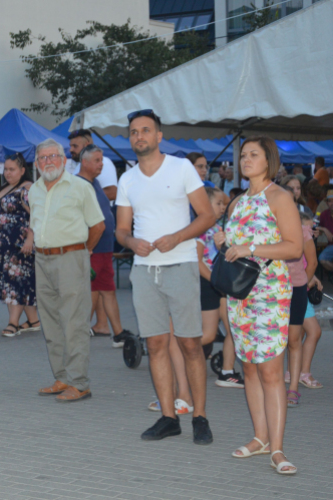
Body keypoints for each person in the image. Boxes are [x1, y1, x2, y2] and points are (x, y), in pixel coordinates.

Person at [115, 109, 216, 444]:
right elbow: (121, 230)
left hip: (181, 264)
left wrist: (178, 237)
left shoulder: (181, 167)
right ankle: (168, 417)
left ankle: (199, 416)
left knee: (190, 344)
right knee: (156, 344)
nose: (139, 136)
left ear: (159, 135)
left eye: (146, 130)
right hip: (144, 271)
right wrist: (131, 242)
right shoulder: (127, 179)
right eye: (133, 132)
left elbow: (207, 215)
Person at [214, 135, 301, 474]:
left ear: (269, 161)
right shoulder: (237, 203)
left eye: (254, 154)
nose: (246, 160)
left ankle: (278, 449)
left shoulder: (278, 198)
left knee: (270, 371)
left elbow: (293, 247)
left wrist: (250, 247)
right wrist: (226, 243)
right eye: (243, 155)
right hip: (240, 295)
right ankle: (260, 438)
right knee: (248, 367)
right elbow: (234, 250)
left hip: (270, 295)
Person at [31, 138, 105, 403]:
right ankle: (62, 377)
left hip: (71, 257)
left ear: (64, 160)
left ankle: (79, 382)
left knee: (74, 322)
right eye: (43, 157)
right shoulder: (34, 190)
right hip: (42, 259)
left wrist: (83, 252)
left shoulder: (80, 187)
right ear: (37, 162)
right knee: (50, 322)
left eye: (53, 156)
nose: (48, 161)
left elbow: (98, 226)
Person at [77, 145, 132, 347]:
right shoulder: (77, 184)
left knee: (107, 290)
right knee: (91, 290)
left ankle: (118, 333)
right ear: (85, 162)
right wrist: (87, 246)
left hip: (104, 248)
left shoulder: (96, 182)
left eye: (102, 160)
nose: (102, 164)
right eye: (97, 160)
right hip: (92, 248)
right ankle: (79, 333)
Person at [0, 153, 40, 337]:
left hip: (19, 245)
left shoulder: (27, 188)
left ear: (22, 170)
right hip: (1, 245)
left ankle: (13, 323)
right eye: (6, 169)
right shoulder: (5, 188)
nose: (8, 173)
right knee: (14, 283)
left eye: (12, 169)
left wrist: (30, 239)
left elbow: (37, 214)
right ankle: (33, 320)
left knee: (15, 283)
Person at [195, 187, 243, 389]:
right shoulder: (201, 228)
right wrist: (216, 282)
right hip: (208, 285)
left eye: (224, 203)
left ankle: (227, 372)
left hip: (220, 285)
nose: (223, 207)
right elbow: (197, 262)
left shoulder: (217, 228)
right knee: (208, 334)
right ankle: (177, 353)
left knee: (233, 328)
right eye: (218, 203)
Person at [285, 211, 322, 407]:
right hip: (273, 291)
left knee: (294, 339)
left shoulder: (302, 232)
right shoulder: (269, 228)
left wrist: (303, 283)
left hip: (296, 290)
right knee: (279, 339)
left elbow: (312, 262)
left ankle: (293, 388)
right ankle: (276, 383)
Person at [66, 129, 118, 201]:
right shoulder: (79, 166)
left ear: (87, 144)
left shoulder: (103, 162)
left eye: (75, 146)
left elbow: (112, 193)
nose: (71, 150)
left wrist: (79, 196)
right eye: (71, 146)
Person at [316, 189, 333, 286]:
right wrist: (324, 229)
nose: (332, 203)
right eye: (330, 201)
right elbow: (314, 226)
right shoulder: (324, 215)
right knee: (322, 259)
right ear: (327, 203)